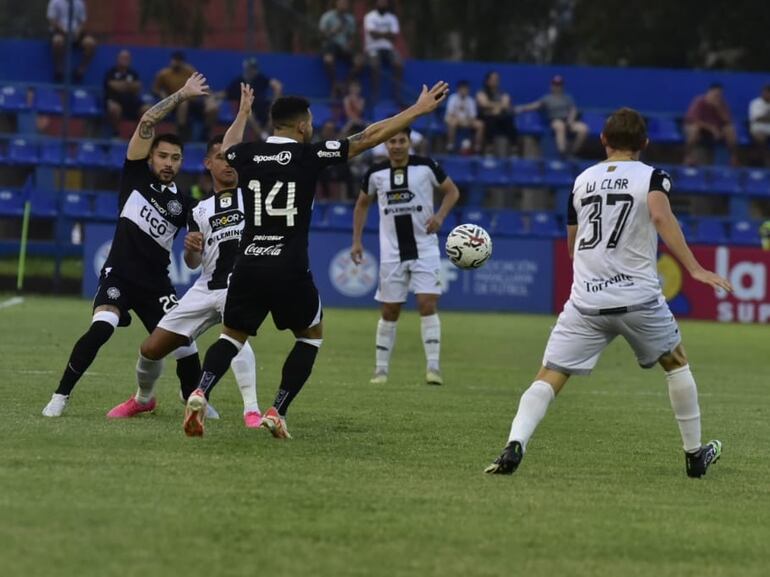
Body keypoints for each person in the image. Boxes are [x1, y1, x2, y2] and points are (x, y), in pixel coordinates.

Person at [180, 81, 449, 438]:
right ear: (303, 126)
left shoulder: (247, 154)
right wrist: (418, 110)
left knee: (232, 335)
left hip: (248, 263)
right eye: (309, 123)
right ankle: (277, 411)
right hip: (288, 265)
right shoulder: (310, 155)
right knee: (310, 336)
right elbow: (368, 137)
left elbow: (227, 146)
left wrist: (243, 113)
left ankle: (200, 390)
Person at [484, 107, 731, 478]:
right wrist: (695, 268)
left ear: (603, 140)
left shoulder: (581, 180)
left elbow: (572, 244)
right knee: (675, 362)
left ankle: (514, 443)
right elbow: (662, 217)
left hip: (586, 300)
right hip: (638, 298)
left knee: (549, 375)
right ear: (644, 143)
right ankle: (695, 455)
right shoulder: (652, 177)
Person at [42, 73, 211, 417]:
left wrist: (193, 246)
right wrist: (181, 94)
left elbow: (192, 262)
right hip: (119, 275)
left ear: (181, 162)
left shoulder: (185, 204)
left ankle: (191, 402)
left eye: (175, 158)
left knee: (185, 346)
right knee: (101, 328)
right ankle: (60, 397)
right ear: (150, 157)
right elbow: (148, 119)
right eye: (162, 156)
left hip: (155, 285)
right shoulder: (134, 175)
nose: (168, 163)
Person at [106, 134, 261, 427]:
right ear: (207, 164)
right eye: (221, 157)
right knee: (151, 349)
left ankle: (251, 410)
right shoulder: (200, 209)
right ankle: (142, 399)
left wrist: (242, 113)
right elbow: (193, 264)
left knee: (236, 336)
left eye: (233, 158)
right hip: (204, 288)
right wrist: (192, 249)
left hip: (239, 285)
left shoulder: (253, 196)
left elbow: (237, 146)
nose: (228, 163)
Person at [351, 128, 460, 385]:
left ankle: (433, 369)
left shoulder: (426, 167)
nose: (397, 146)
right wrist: (356, 241)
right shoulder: (375, 173)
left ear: (410, 143)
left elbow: (452, 191)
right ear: (385, 145)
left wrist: (440, 217)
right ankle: (380, 371)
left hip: (425, 249)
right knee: (389, 311)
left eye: (402, 141)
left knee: (427, 304)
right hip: (391, 253)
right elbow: (361, 204)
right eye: (392, 141)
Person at [516, 75, 588, 158]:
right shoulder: (547, 98)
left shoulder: (567, 98)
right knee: (560, 126)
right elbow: (534, 105)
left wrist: (570, 120)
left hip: (568, 121)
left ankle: (572, 152)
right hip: (555, 120)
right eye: (555, 84)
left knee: (583, 129)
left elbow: (573, 110)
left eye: (559, 84)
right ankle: (562, 152)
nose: (557, 86)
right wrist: (521, 108)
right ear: (551, 85)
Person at [153, 52, 218, 141]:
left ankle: (206, 132)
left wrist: (210, 98)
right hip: (175, 102)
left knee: (213, 108)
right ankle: (181, 132)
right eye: (175, 60)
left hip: (193, 101)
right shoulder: (164, 74)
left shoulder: (189, 71)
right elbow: (156, 89)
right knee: (184, 103)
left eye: (179, 61)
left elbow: (202, 86)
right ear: (171, 61)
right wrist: (163, 94)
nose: (177, 63)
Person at [224, 57, 282, 139]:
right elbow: (226, 94)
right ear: (246, 68)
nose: (252, 71)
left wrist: (275, 103)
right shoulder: (239, 81)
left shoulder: (260, 78)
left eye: (253, 68)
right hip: (246, 108)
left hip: (262, 108)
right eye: (250, 68)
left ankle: (266, 136)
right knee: (249, 114)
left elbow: (277, 86)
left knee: (273, 112)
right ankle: (263, 136)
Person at [683, 83, 739, 166]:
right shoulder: (699, 102)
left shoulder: (722, 104)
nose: (717, 96)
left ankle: (734, 158)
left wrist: (718, 109)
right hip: (700, 128)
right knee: (694, 130)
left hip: (716, 130)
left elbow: (727, 121)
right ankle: (688, 157)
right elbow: (695, 120)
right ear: (709, 93)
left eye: (719, 95)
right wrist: (712, 129)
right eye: (715, 94)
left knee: (730, 130)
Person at [319, 0, 364, 96]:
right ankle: (335, 84)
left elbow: (352, 37)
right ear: (336, 3)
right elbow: (321, 36)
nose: (343, 5)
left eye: (345, 3)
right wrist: (334, 31)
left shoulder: (350, 19)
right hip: (330, 45)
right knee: (328, 59)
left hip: (344, 46)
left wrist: (350, 43)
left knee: (359, 61)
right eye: (341, 2)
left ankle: (345, 84)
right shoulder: (327, 17)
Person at [363, 0, 404, 103]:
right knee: (375, 65)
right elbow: (372, 34)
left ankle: (397, 94)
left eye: (385, 2)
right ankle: (375, 94)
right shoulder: (370, 17)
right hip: (373, 48)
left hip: (388, 48)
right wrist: (387, 34)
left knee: (399, 63)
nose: (383, 3)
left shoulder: (392, 18)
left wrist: (379, 34)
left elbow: (394, 36)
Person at [47, 0, 96, 83]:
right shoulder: (54, 2)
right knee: (57, 41)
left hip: (76, 32)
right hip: (60, 31)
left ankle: (81, 70)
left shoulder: (79, 3)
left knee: (90, 43)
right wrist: (64, 31)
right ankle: (59, 69)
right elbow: (52, 20)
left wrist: (78, 31)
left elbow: (82, 21)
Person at [104, 49, 150, 135]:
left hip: (132, 101)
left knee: (147, 110)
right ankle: (115, 133)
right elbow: (113, 86)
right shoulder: (111, 72)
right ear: (118, 59)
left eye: (127, 58)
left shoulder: (133, 73)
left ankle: (135, 135)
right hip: (115, 100)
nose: (125, 60)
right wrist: (129, 86)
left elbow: (137, 87)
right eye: (123, 58)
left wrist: (122, 85)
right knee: (114, 108)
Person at [475, 71, 517, 154]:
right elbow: (483, 103)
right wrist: (497, 106)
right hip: (486, 117)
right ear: (487, 81)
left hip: (500, 117)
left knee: (509, 118)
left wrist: (494, 108)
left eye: (497, 79)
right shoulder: (481, 92)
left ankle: (513, 148)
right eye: (493, 79)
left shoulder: (503, 93)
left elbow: (506, 104)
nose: (495, 80)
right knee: (490, 120)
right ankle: (489, 148)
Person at [445, 80, 484, 153]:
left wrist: (467, 121)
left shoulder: (471, 100)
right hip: (455, 120)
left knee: (480, 125)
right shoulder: (453, 98)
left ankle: (477, 147)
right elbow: (450, 114)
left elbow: (473, 116)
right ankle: (450, 145)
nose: (464, 91)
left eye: (466, 89)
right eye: (462, 89)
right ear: (458, 89)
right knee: (452, 122)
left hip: (467, 121)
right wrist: (460, 121)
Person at [748, 84, 770, 166]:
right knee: (760, 138)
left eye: (768, 93)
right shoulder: (755, 103)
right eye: (764, 92)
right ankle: (766, 161)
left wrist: (765, 117)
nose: (766, 94)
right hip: (758, 128)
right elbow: (757, 119)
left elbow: (763, 118)